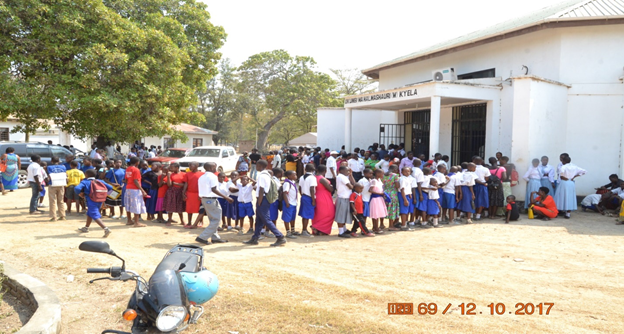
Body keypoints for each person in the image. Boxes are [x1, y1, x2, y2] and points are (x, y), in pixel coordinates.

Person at [243, 160, 286, 247]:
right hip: (265, 199)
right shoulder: (266, 175)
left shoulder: (262, 176)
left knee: (266, 219)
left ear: (259, 165)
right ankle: (255, 238)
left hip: (263, 199)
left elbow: (262, 189)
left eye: (257, 165)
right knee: (259, 220)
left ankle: (280, 236)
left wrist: (259, 202)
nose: (256, 167)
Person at [194, 162, 233, 245]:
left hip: (204, 199)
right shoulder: (213, 177)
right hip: (211, 200)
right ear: (211, 168)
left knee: (213, 219)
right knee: (216, 219)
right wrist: (226, 197)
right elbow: (214, 189)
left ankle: (215, 237)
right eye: (215, 167)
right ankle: (202, 237)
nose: (216, 169)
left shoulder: (201, 177)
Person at [75, 169, 113, 237]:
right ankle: (86, 227)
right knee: (90, 213)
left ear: (86, 175)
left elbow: (77, 188)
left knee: (94, 214)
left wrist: (80, 194)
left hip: (91, 200)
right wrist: (105, 194)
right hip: (100, 200)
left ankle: (106, 229)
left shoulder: (85, 182)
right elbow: (110, 187)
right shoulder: (100, 181)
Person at [124, 157, 147, 227]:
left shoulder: (128, 169)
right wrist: (142, 190)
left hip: (128, 188)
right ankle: (136, 222)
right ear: (137, 162)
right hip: (135, 189)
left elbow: (126, 179)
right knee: (136, 204)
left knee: (128, 204)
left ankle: (129, 220)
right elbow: (136, 181)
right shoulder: (136, 170)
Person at [312, 165, 335, 236]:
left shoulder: (314, 178)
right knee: (330, 214)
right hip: (324, 197)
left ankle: (319, 230)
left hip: (317, 196)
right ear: (325, 171)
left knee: (319, 214)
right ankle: (317, 227)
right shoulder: (322, 179)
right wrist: (331, 186)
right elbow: (330, 189)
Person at [334, 166, 356, 238]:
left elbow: (354, 183)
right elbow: (351, 186)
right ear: (341, 171)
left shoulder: (344, 177)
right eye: (347, 171)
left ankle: (344, 229)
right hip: (343, 198)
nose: (348, 172)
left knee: (344, 215)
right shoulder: (341, 177)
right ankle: (341, 232)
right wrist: (354, 186)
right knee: (341, 215)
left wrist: (351, 175)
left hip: (346, 197)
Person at [299, 164, 318, 237]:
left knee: (304, 215)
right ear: (313, 170)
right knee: (306, 215)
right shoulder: (312, 178)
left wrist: (302, 195)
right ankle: (304, 230)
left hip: (304, 196)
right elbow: (312, 189)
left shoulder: (301, 177)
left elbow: (300, 188)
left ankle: (304, 229)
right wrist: (313, 200)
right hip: (309, 197)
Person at [46, 157, 67, 221]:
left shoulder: (49, 167)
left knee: (52, 201)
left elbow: (49, 176)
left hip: (52, 184)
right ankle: (62, 216)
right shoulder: (63, 167)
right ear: (59, 161)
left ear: (52, 161)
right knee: (61, 200)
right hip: (61, 184)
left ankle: (54, 216)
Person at [182, 162, 203, 227]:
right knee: (189, 209)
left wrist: (202, 194)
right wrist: (183, 193)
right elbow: (186, 183)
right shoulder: (187, 174)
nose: (190, 167)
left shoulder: (202, 174)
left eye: (191, 165)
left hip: (198, 193)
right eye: (189, 166)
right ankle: (189, 222)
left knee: (200, 208)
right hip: (190, 193)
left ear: (197, 166)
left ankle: (200, 222)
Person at [369, 168, 388, 234]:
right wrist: (380, 193)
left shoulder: (379, 180)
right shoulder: (374, 181)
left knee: (378, 212)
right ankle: (376, 228)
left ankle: (375, 227)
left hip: (380, 198)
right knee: (375, 213)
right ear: (377, 174)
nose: (383, 174)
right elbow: (370, 190)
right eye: (382, 173)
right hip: (375, 198)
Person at [382, 164, 400, 230]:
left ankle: (381, 224)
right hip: (393, 194)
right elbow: (397, 186)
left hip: (384, 193)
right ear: (395, 169)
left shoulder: (383, 175)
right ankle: (391, 226)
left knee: (384, 208)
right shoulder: (395, 176)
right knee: (392, 209)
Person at [282, 170, 299, 238]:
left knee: (292, 217)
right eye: (294, 175)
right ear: (289, 176)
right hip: (289, 203)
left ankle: (292, 230)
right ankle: (288, 232)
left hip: (293, 202)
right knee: (287, 217)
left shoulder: (293, 182)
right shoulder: (287, 183)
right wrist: (287, 203)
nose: (295, 176)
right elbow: (285, 193)